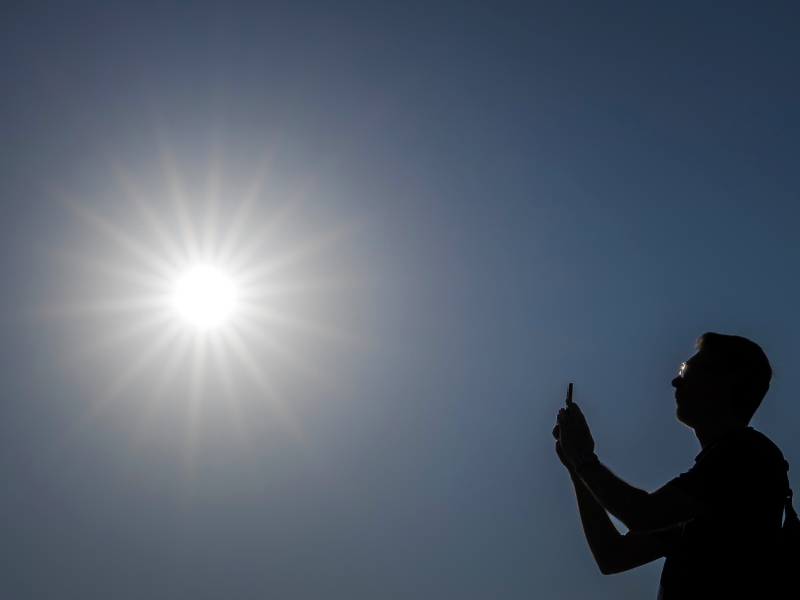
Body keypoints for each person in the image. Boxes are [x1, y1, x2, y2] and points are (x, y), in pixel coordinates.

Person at [553, 333, 789, 599]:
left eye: (688, 370)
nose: (676, 381)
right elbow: (614, 556)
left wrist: (583, 459)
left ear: (726, 381)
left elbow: (642, 514)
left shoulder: (745, 456)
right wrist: (576, 467)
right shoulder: (702, 491)